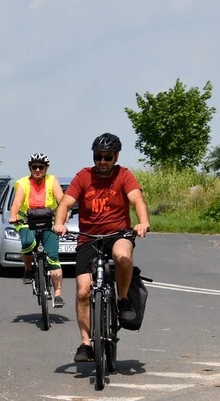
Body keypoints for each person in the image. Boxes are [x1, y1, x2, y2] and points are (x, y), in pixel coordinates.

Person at [54, 133, 151, 363]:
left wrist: (142, 222)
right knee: (83, 290)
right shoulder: (84, 176)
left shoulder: (123, 175)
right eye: (98, 156)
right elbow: (66, 202)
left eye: (107, 157)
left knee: (122, 255)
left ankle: (123, 299)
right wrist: (59, 223)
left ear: (116, 157)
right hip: (89, 238)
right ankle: (85, 344)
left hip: (118, 234)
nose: (102, 161)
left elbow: (137, 200)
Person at [9, 153, 65, 307]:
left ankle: (58, 294)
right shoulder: (22, 183)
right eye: (34, 167)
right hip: (27, 221)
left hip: (49, 221)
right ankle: (28, 269)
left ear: (46, 168)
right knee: (27, 243)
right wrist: (13, 215)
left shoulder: (52, 180)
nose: (38, 170)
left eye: (41, 167)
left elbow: (61, 199)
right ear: (30, 168)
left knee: (53, 256)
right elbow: (16, 202)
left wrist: (64, 215)